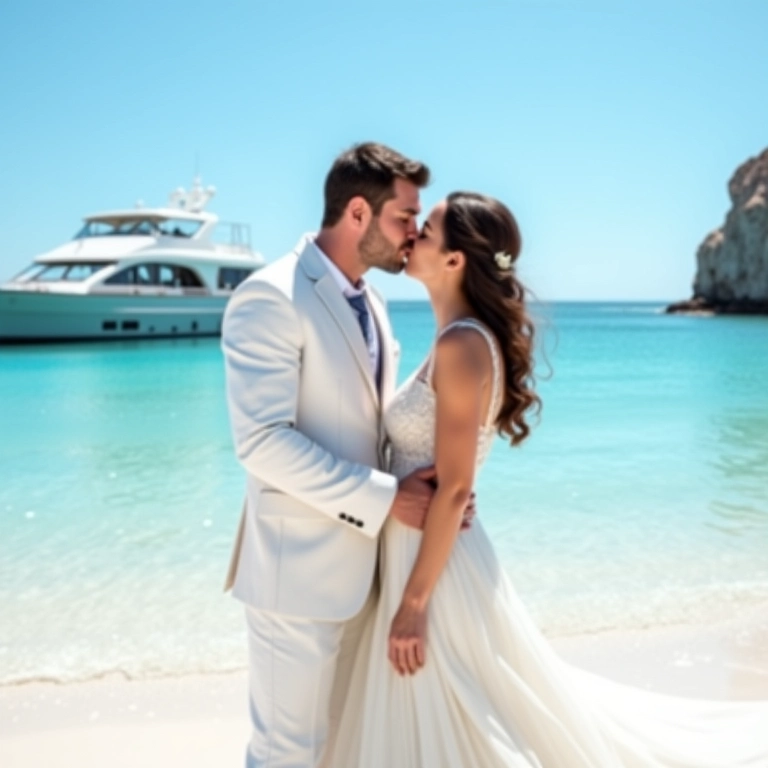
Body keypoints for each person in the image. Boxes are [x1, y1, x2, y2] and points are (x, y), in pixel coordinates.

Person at [329, 192, 768, 767]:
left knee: (460, 720)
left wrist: (413, 604)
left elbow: (456, 487)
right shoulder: (456, 338)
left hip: (433, 566)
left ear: (457, 259)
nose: (412, 236)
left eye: (428, 231)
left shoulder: (462, 344)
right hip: (426, 548)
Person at [221, 142, 473, 768]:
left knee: (340, 751)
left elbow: (370, 426)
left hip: (368, 575)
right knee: (287, 754)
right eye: (404, 217)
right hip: (296, 575)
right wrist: (390, 498)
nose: (414, 234)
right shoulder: (271, 296)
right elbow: (261, 442)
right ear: (358, 213)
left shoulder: (374, 301)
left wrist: (433, 487)